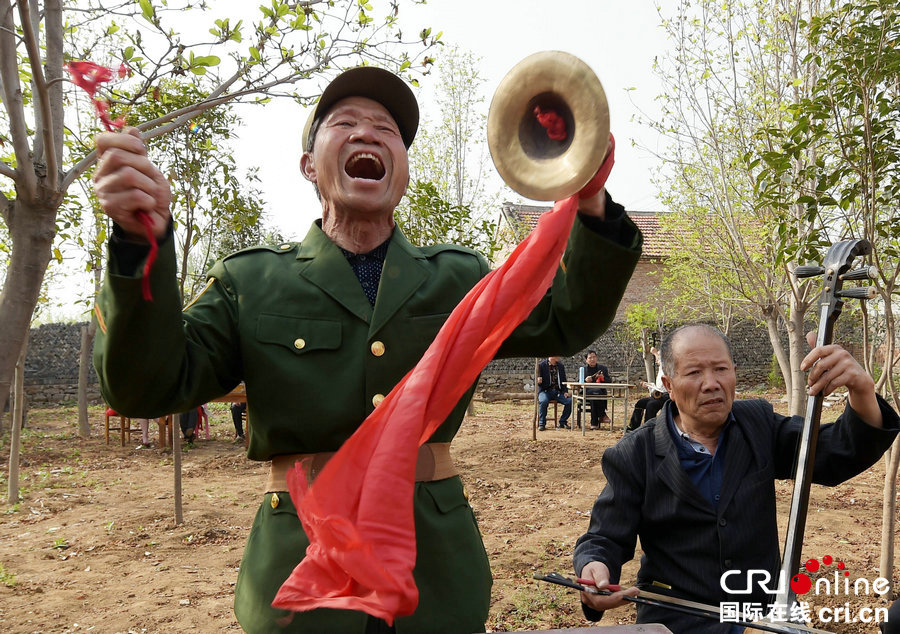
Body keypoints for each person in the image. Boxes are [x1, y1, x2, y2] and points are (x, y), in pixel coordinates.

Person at [91, 66, 642, 633]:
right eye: (345, 123)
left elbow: (565, 321)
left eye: (387, 129)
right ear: (309, 165)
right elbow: (146, 385)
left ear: (401, 170)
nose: (368, 134)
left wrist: (592, 202)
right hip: (301, 563)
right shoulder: (250, 282)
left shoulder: (459, 278)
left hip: (434, 564)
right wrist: (140, 245)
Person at [574, 323, 899, 633]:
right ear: (668, 385)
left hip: (766, 614)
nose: (711, 382)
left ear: (734, 374)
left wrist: (861, 389)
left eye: (720, 369)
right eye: (694, 372)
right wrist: (595, 567)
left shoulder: (757, 425)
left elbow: (835, 452)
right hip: (680, 621)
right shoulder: (635, 453)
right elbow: (605, 537)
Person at [537, 356, 573, 430]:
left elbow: (564, 380)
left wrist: (565, 391)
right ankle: (542, 423)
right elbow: (537, 380)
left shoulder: (560, 366)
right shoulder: (541, 365)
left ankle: (563, 421)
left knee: (570, 401)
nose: (559, 356)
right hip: (545, 391)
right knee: (543, 401)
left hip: (557, 391)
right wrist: (538, 381)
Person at [580, 350, 609, 429]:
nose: (592, 359)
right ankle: (602, 415)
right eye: (590, 358)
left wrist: (603, 378)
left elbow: (609, 381)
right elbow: (579, 383)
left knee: (595, 395)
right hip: (587, 390)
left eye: (594, 357)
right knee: (594, 393)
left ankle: (594, 423)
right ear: (586, 360)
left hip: (600, 391)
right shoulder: (583, 369)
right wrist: (585, 381)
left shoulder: (603, 368)